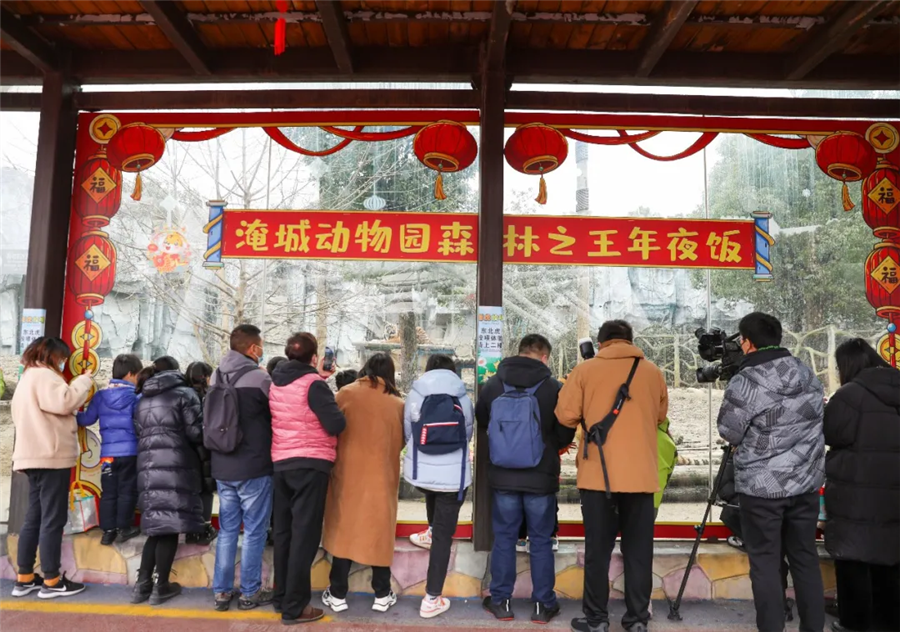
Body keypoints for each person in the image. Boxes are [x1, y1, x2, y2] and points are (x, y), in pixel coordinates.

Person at [555, 321, 668, 632]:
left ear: (601, 343)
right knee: (639, 552)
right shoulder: (653, 372)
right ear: (630, 341)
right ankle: (636, 621)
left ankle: (596, 620)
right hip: (641, 478)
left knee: (597, 552)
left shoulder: (585, 371)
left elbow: (564, 415)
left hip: (597, 478)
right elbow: (659, 416)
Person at [717, 312, 825, 632]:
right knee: (805, 559)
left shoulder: (747, 380)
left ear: (747, 343)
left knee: (765, 563)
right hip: (805, 485)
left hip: (762, 489)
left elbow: (729, 430)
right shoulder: (807, 373)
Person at [476, 334, 575, 625]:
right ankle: (543, 606)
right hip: (540, 479)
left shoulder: (493, 385)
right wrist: (547, 446)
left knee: (504, 538)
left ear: (519, 352)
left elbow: (484, 422)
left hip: (503, 477)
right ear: (544, 357)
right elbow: (566, 429)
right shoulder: (554, 388)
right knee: (541, 541)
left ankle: (501, 601)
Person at [824, 338, 900, 632]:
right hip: (893, 495)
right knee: (890, 559)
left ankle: (854, 624)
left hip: (856, 494)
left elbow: (831, 434)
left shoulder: (849, 396)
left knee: (853, 559)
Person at [269, 332, 345, 625]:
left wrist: (319, 378)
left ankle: (281, 597)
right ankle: (295, 607)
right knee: (305, 536)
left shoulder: (276, 382)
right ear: (314, 357)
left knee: (285, 534)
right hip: (311, 465)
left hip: (282, 464)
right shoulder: (314, 385)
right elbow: (335, 422)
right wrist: (321, 381)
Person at [322, 353, 405, 614]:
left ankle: (337, 593)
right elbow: (402, 441)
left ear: (365, 368)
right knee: (379, 532)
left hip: (347, 473)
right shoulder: (398, 403)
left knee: (345, 529)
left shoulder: (345, 393)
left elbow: (330, 428)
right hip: (383, 475)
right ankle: (382, 593)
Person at [10, 337, 93, 599]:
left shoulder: (27, 378)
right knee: (52, 519)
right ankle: (52, 581)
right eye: (61, 357)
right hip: (51, 457)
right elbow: (65, 401)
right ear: (52, 355)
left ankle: (24, 577)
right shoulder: (45, 376)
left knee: (34, 517)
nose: (63, 362)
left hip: (32, 457)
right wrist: (83, 380)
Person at [209, 325, 275, 612]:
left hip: (223, 465)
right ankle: (249, 592)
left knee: (227, 531)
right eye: (260, 345)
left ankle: (222, 592)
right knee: (254, 532)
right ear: (252, 349)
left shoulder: (215, 374)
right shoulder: (260, 378)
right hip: (254, 467)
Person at [402, 354, 474, 618]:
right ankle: (432, 598)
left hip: (422, 469)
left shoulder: (416, 393)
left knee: (432, 490)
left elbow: (409, 432)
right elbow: (467, 432)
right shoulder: (462, 395)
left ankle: (432, 530)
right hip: (454, 474)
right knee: (444, 535)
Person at [132, 363, 204, 606]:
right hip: (176, 464)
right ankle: (160, 586)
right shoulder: (185, 394)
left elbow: (139, 431)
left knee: (156, 527)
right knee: (169, 526)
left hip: (148, 466)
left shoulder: (142, 400)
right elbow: (196, 432)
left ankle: (142, 586)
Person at [77, 353, 143, 546]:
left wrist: (72, 413)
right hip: (130, 453)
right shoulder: (135, 398)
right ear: (130, 374)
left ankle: (107, 531)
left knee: (109, 492)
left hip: (107, 456)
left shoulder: (100, 396)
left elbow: (87, 419)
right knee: (127, 491)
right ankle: (124, 528)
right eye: (138, 375)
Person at [184, 361, 218, 546]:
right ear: (205, 377)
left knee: (191, 491)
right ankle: (203, 528)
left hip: (186, 450)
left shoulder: (182, 394)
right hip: (203, 449)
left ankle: (191, 529)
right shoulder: (207, 396)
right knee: (205, 489)